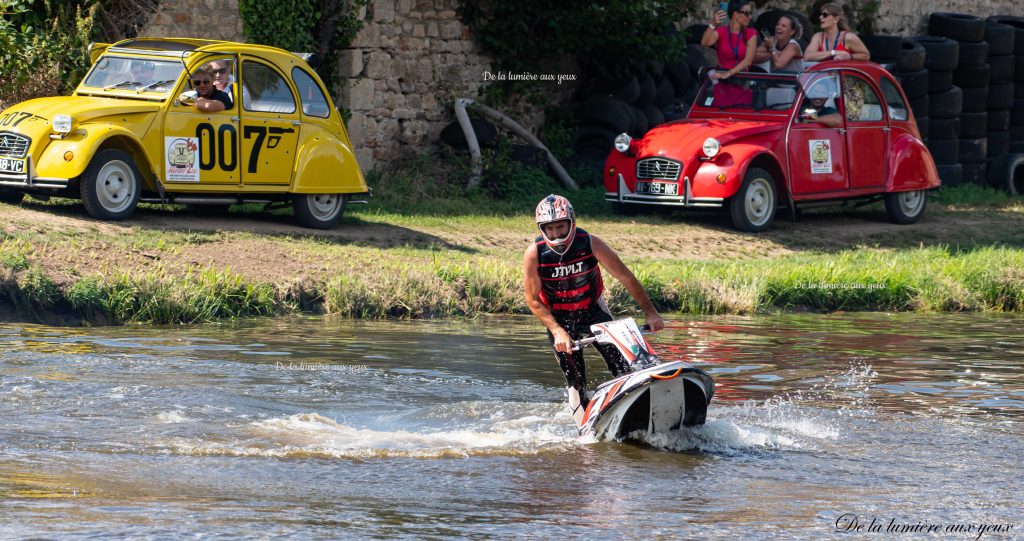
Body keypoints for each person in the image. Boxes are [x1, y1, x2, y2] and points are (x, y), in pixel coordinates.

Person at [523, 194, 665, 424]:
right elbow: (533, 300)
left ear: (572, 223)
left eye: (561, 227)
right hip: (559, 319)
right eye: (550, 229)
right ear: (542, 229)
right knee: (576, 380)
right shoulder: (534, 254)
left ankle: (644, 407)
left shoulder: (590, 242)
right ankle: (586, 428)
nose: (557, 234)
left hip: (593, 311)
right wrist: (558, 331)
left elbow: (626, 277)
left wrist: (650, 312)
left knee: (624, 365)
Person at [701, 0, 759, 81]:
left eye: (750, 13)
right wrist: (713, 24)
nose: (750, 17)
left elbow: (748, 61)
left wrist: (728, 73)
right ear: (736, 15)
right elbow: (704, 43)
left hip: (741, 80)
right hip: (722, 79)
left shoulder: (750, 33)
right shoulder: (721, 31)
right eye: (747, 13)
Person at [804, 3, 870, 62]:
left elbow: (866, 55)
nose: (820, 17)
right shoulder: (818, 36)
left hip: (843, 74)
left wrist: (850, 56)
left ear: (836, 19)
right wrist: (834, 52)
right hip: (824, 74)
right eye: (820, 14)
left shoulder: (848, 37)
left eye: (825, 15)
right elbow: (807, 56)